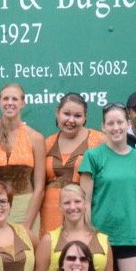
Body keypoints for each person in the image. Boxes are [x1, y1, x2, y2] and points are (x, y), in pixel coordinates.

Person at [79, 102, 136, 271]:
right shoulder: (93, 156)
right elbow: (84, 201)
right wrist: (88, 234)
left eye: (119, 122)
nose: (115, 127)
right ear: (103, 126)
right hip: (100, 237)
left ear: (127, 124)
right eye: (110, 123)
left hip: (132, 236)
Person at [0, 82, 45, 235]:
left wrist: (27, 224)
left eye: (14, 99)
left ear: (23, 103)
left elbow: (39, 188)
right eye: (5, 99)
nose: (10, 103)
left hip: (25, 208)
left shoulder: (36, 138)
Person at [33, 182, 115, 271]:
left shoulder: (103, 241)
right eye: (67, 203)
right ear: (60, 207)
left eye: (77, 202)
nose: (72, 207)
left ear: (85, 204)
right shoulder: (49, 240)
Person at [39, 93, 103, 234]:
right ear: (57, 113)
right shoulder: (47, 143)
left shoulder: (99, 140)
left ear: (85, 117)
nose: (71, 120)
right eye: (66, 114)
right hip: (49, 213)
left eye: (78, 116)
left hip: (81, 211)